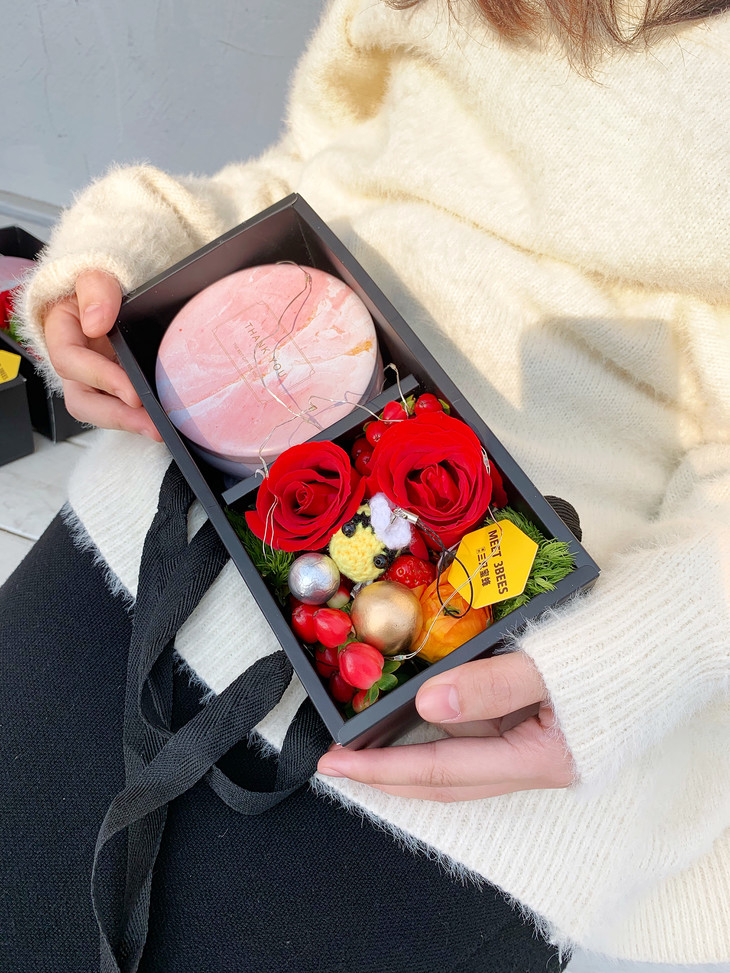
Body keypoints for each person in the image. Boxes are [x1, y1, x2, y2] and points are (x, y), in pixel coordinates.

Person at [5, 0, 730, 969]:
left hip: (517, 665)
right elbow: (309, 171)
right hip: (172, 515)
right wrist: (124, 256)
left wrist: (642, 650)